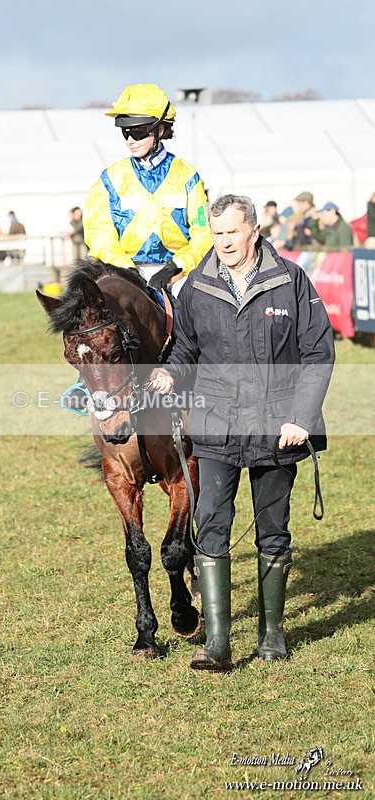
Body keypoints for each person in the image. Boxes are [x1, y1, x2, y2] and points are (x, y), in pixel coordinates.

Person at [148, 194, 334, 671]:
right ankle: (218, 643)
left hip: (279, 428)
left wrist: (301, 416)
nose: (225, 242)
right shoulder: (197, 288)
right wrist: (170, 373)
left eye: (232, 232)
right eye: (217, 234)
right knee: (210, 527)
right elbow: (186, 348)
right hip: (216, 427)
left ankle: (272, 634)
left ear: (253, 229)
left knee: (273, 532)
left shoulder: (290, 280)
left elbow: (317, 353)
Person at [83, 83, 212, 297]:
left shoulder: (187, 175)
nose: (131, 140)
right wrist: (126, 268)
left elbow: (203, 232)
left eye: (138, 131)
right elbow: (98, 233)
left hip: (177, 275)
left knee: (199, 307)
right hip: (123, 273)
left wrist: (176, 265)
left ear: (160, 130)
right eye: (126, 132)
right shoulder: (110, 179)